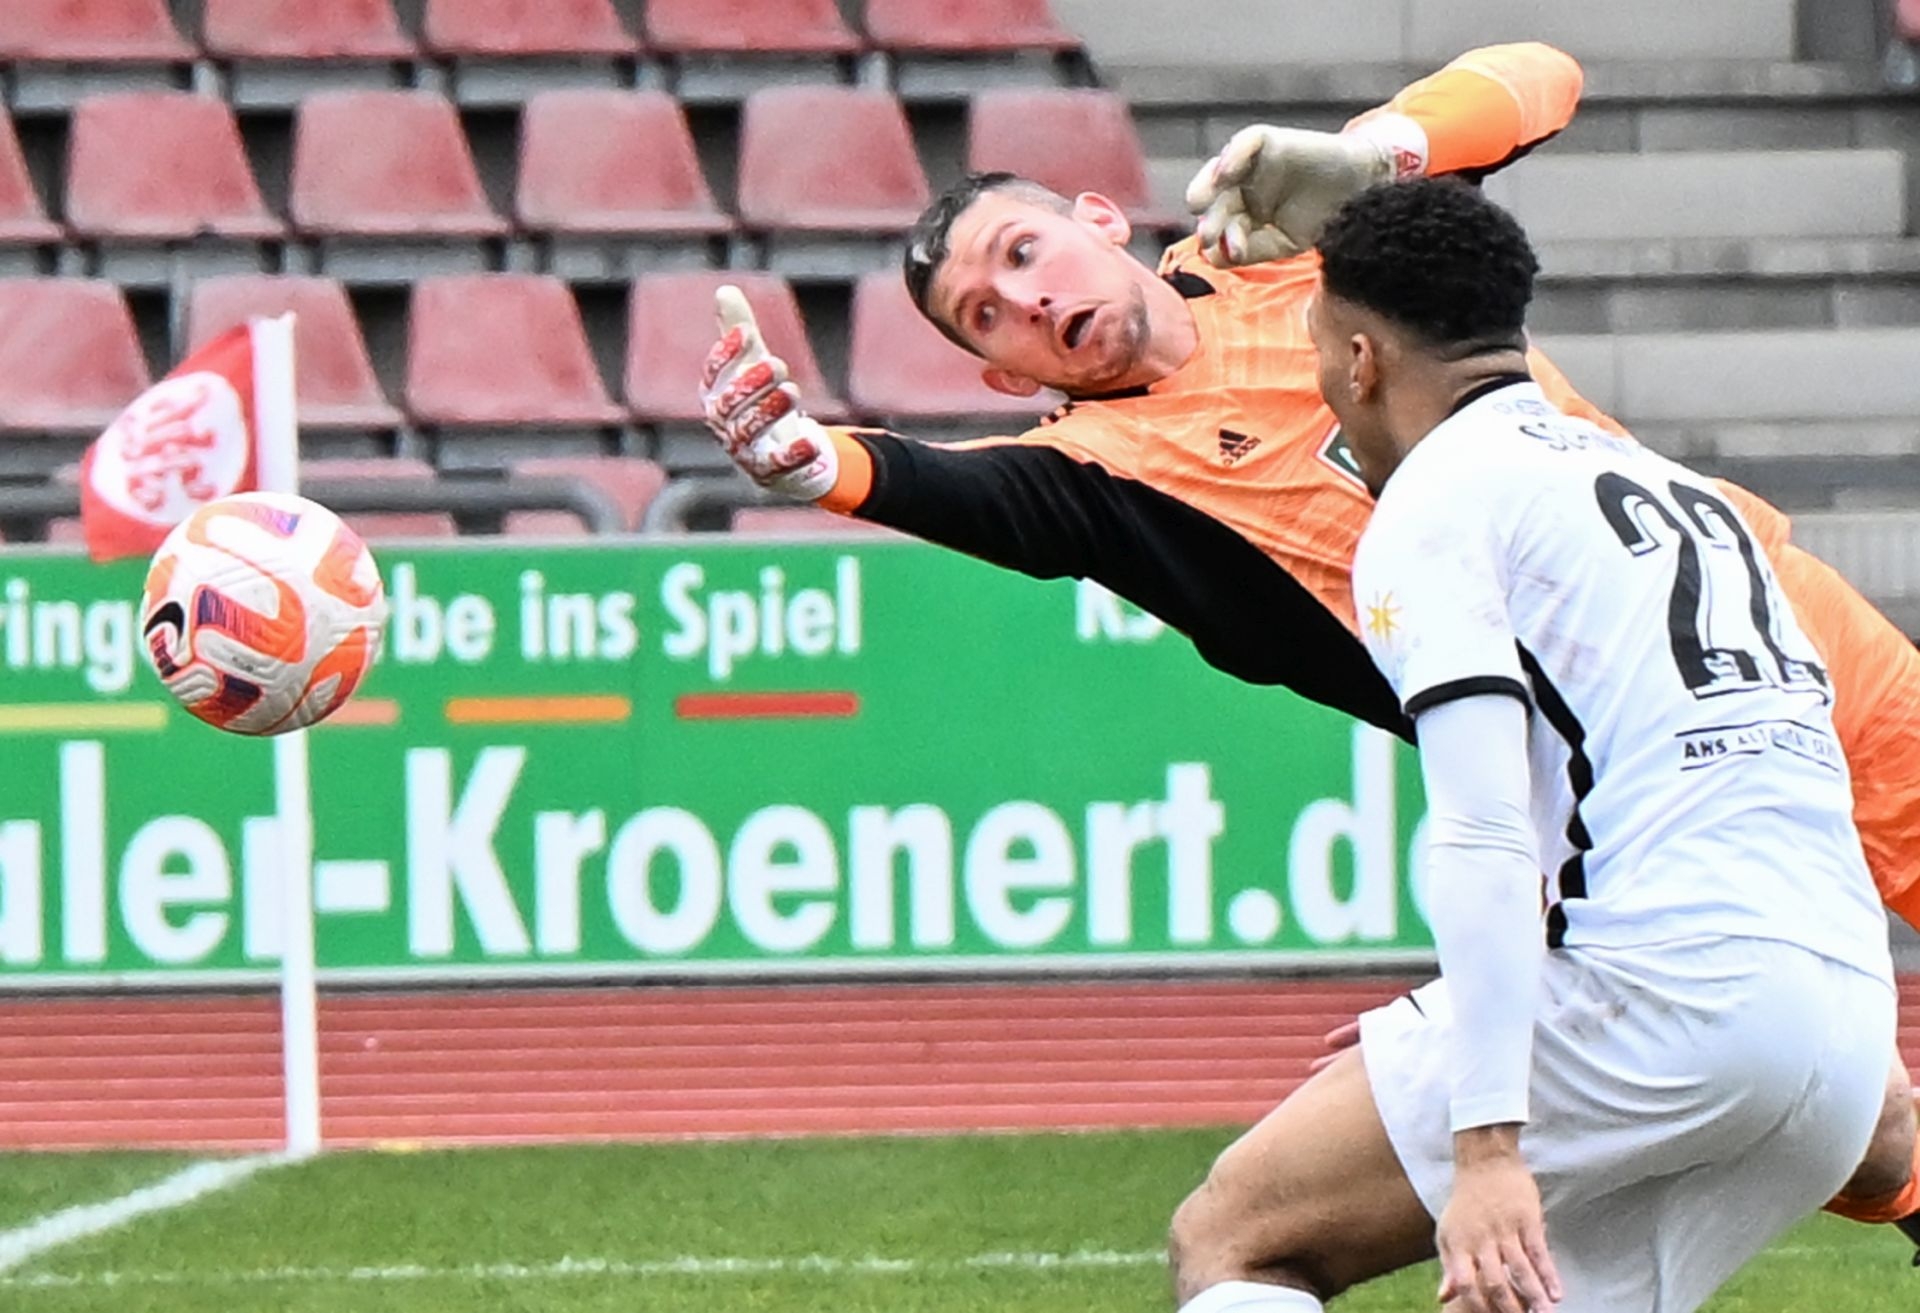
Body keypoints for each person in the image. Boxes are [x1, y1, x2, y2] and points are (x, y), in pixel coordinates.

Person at [697, 42, 1920, 1239]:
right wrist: (812, 462)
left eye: (1023, 253)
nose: (1027, 300)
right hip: (1618, 774)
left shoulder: (1286, 241)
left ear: (1098, 218)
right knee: (1861, 1124)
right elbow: (933, 483)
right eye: (987, 316)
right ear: (1005, 380)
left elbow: (1545, 74)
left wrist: (1380, 153)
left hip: (1775, 626)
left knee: (1832, 1094)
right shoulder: (1093, 476)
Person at [1177, 173, 1898, 1313]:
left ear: (1360, 362)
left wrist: (1486, 1142)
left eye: (1319, 353)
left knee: (1237, 1232)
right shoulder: (1681, 491)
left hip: (1663, 1003)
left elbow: (1482, 831)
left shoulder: (1438, 501)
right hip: (1847, 1034)